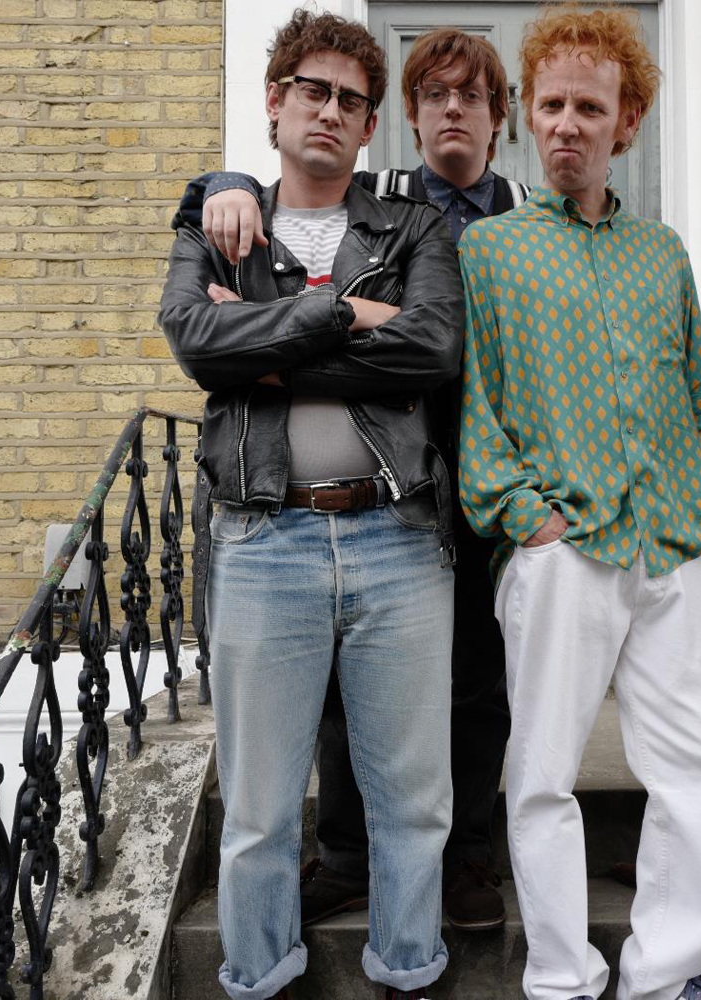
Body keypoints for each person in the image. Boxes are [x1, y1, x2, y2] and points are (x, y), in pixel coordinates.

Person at [178, 28, 529, 933]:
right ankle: (340, 863)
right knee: (330, 700)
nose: (453, 111)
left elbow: (436, 344)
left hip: (469, 474)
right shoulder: (377, 198)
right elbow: (204, 318)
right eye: (435, 95)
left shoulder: (511, 212)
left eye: (472, 96)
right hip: (367, 471)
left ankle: (461, 864)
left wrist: (266, 353)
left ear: (500, 117)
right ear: (404, 117)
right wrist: (224, 186)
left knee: (471, 686)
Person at [457, 8, 701, 1000]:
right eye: (552, 105)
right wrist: (522, 518)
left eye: (590, 107)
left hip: (670, 545)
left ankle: (664, 976)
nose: (568, 124)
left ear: (627, 123)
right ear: (527, 117)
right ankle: (561, 979)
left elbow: (700, 393)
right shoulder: (489, 253)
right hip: (561, 549)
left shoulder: (663, 253)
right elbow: (476, 406)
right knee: (542, 775)